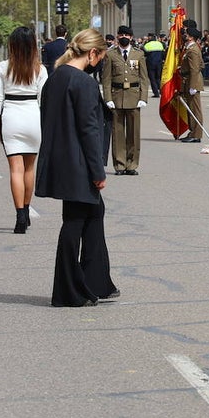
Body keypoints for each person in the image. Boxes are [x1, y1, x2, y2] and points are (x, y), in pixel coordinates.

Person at [35, 28, 118, 307]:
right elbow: (88, 129)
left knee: (94, 212)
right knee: (75, 222)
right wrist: (98, 171)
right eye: (101, 56)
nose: (101, 61)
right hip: (79, 162)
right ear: (92, 53)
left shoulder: (56, 77)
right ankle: (69, 290)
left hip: (62, 159)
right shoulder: (83, 82)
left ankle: (96, 282)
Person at [0, 26, 48, 234]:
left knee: (15, 169)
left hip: (11, 116)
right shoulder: (40, 69)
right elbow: (43, 99)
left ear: (13, 45)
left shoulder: (3, 67)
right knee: (29, 169)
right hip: (33, 116)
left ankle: (20, 216)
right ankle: (26, 208)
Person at [100, 25, 150, 175]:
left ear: (131, 37)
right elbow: (106, 79)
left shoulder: (139, 54)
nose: (123, 37)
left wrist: (143, 97)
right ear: (117, 37)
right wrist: (107, 98)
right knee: (118, 133)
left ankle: (132, 164)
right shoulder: (110, 55)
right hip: (116, 96)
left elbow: (143, 78)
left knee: (134, 133)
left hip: (134, 97)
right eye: (121, 34)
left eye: (126, 35)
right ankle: (120, 165)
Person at [179, 27, 205, 142]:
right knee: (191, 109)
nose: (184, 35)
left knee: (195, 110)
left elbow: (195, 69)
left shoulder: (193, 50)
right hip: (189, 79)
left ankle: (196, 134)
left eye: (186, 34)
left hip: (192, 81)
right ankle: (192, 132)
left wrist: (193, 86)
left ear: (191, 37)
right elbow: (201, 65)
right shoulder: (190, 48)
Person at [143, 33, 166, 97]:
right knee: (158, 78)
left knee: (152, 78)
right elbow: (163, 54)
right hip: (159, 63)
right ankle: (161, 91)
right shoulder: (160, 44)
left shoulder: (147, 45)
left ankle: (156, 93)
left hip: (150, 63)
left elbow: (144, 54)